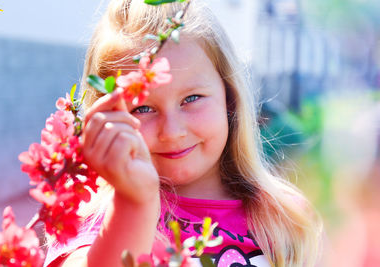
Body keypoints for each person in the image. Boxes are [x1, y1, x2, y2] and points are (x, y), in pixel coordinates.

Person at [44, 1, 323, 266]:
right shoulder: (95, 225)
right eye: (142, 108)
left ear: (229, 97)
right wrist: (134, 204)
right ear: (106, 119)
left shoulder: (286, 218)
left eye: (191, 99)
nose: (172, 132)